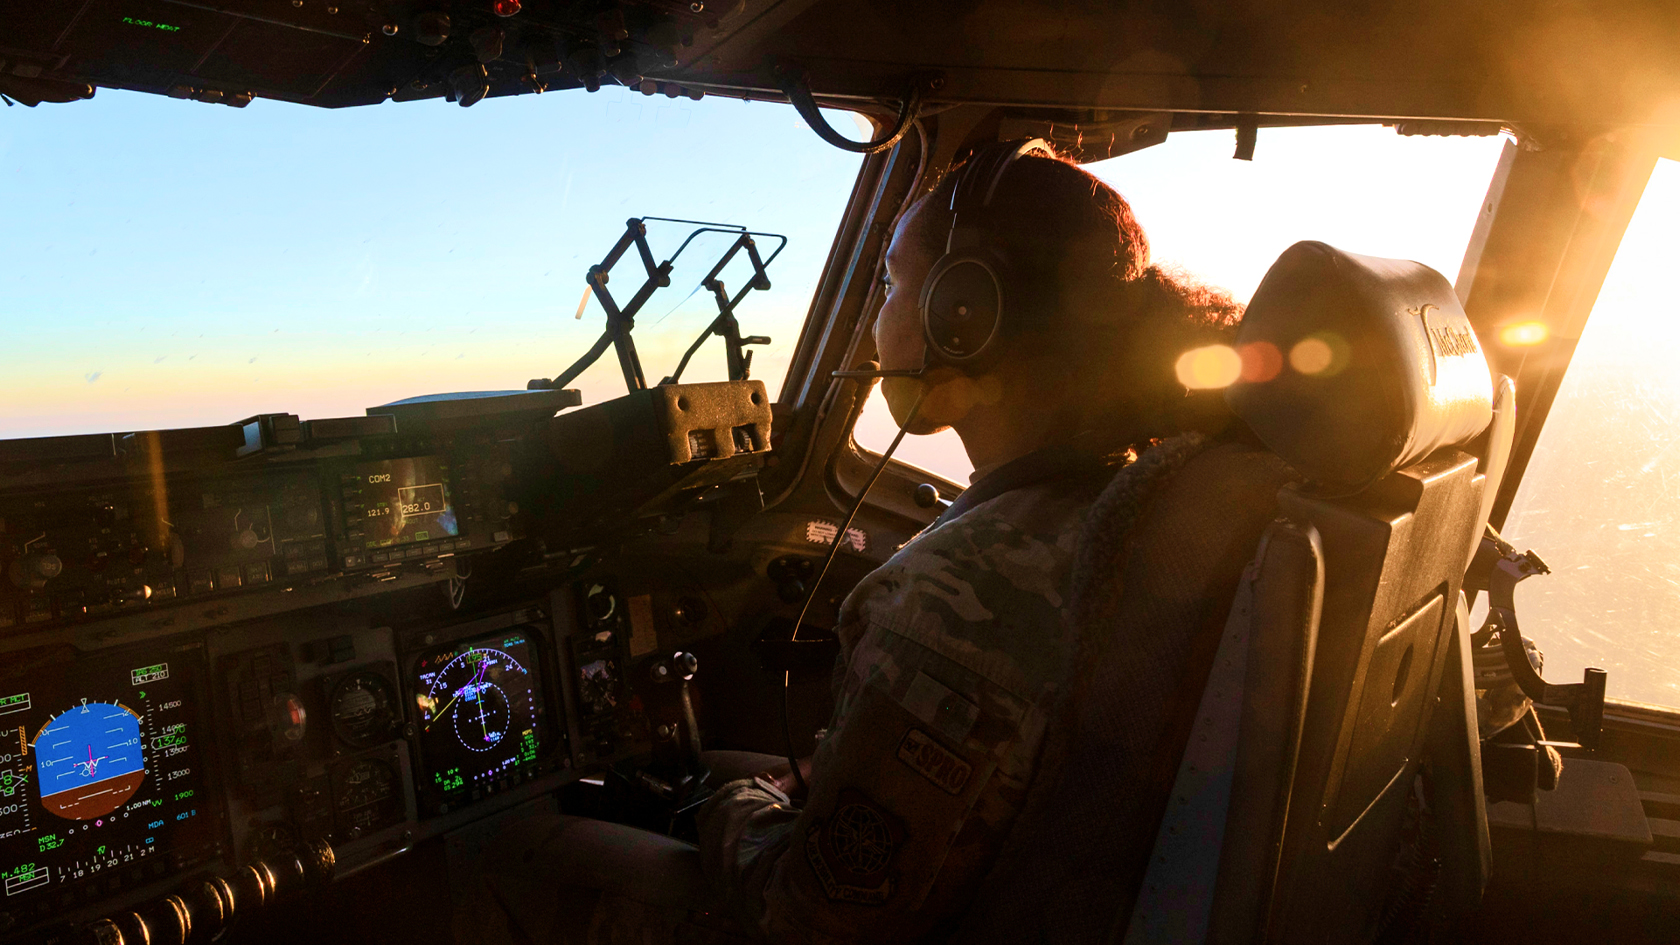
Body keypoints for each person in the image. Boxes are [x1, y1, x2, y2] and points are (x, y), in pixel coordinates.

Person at [471, 143, 1253, 944]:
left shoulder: (957, 592)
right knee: (714, 768)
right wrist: (813, 774)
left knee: (512, 846)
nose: (878, 321)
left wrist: (742, 807)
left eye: (888, 284)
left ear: (966, 313)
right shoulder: (1137, 500)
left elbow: (806, 917)